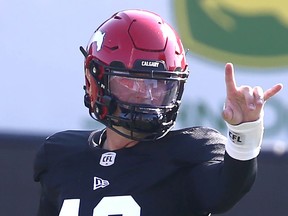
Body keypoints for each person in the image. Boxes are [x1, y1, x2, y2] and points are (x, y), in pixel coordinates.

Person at [33, 9, 283, 216]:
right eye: (132, 82)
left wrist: (245, 131)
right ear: (94, 79)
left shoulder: (191, 151)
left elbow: (228, 188)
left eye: (160, 84)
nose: (148, 95)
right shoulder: (60, 154)